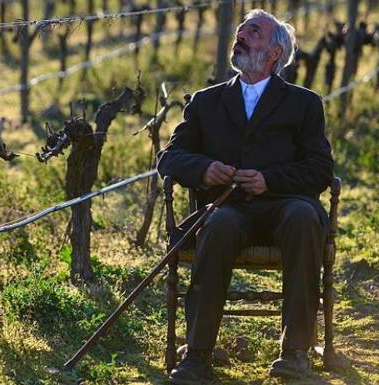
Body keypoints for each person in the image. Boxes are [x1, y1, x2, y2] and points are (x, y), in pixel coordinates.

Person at [157, 9, 334, 384]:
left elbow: (320, 169)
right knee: (216, 225)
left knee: (305, 218)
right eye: (240, 31)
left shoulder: (304, 103)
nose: (240, 36)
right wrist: (204, 169)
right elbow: (170, 157)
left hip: (286, 205)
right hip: (229, 208)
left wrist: (269, 180)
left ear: (274, 53)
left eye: (252, 32)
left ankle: (296, 354)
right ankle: (198, 354)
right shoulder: (206, 101)